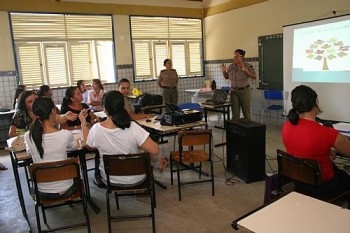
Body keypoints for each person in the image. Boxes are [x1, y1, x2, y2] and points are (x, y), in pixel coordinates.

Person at [79, 90, 161, 186]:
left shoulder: (97, 129)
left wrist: (83, 124)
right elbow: (155, 150)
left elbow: (88, 146)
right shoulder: (133, 126)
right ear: (122, 107)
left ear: (104, 109)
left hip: (110, 179)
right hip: (137, 177)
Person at [282, 85, 350, 199]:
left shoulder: (286, 126)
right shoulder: (327, 133)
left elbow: (303, 149)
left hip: (299, 181)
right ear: (315, 103)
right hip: (323, 187)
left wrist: (325, 151)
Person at [24, 97, 79, 199]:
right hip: (67, 188)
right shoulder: (65, 135)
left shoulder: (28, 135)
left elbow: (28, 151)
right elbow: (75, 148)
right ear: (53, 111)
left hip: (41, 191)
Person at [9, 91, 78, 138]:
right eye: (30, 102)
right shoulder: (20, 114)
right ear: (24, 105)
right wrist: (27, 133)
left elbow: (56, 118)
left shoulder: (44, 109)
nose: (34, 103)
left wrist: (65, 116)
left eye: (36, 99)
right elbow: (13, 133)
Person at [221, 49, 256, 120]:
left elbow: (254, 76)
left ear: (242, 57)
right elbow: (226, 77)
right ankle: (236, 130)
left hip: (245, 91)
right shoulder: (231, 66)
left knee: (246, 113)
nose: (234, 57)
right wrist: (224, 72)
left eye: (237, 55)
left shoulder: (247, 65)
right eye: (234, 55)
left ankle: (247, 129)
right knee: (235, 114)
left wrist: (246, 70)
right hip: (234, 92)